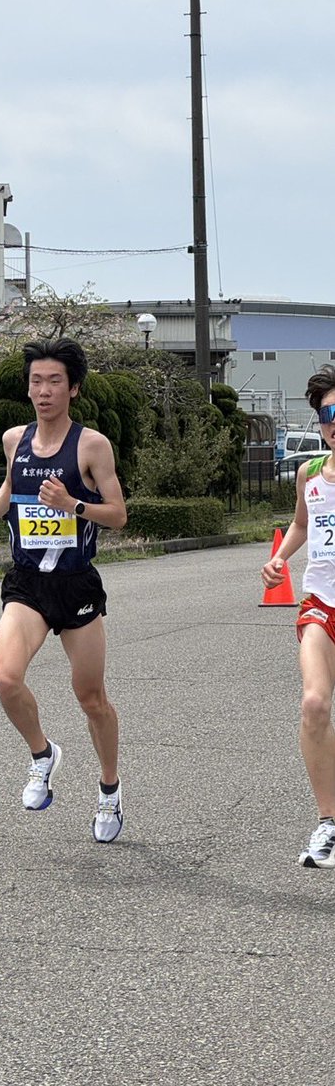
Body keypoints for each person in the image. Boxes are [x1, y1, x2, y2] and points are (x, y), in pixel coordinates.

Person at [0, 337, 128, 841]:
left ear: (73, 388)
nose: (43, 390)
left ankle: (109, 791)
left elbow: (119, 516)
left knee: (91, 696)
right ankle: (43, 754)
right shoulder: (14, 438)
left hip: (76, 582)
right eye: (36, 380)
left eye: (54, 381)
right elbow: (12, 484)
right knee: (5, 679)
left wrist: (73, 506)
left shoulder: (91, 445)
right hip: (27, 582)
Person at [261, 364, 335, 868]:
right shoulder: (309, 474)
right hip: (321, 604)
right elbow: (300, 524)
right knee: (314, 703)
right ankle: (329, 823)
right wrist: (280, 558)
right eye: (329, 413)